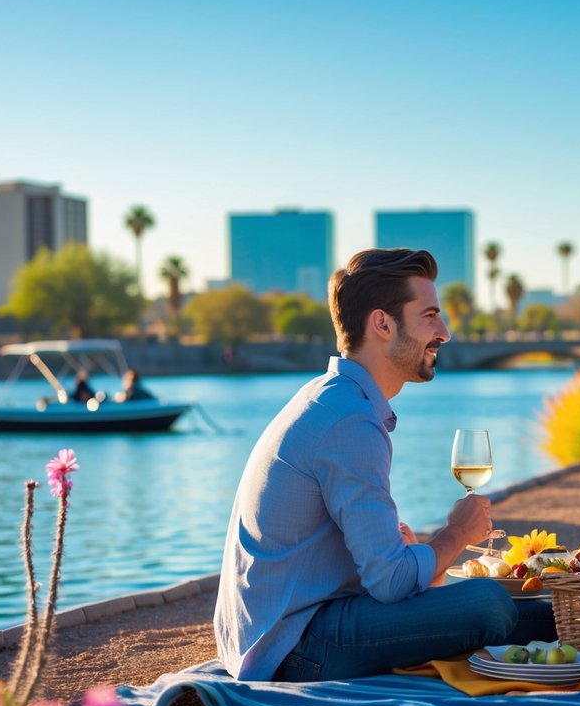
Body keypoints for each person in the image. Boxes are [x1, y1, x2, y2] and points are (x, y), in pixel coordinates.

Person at [214, 248, 554, 683]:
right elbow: (390, 583)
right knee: (488, 604)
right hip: (294, 647)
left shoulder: (332, 398)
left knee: (525, 609)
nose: (444, 332)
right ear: (382, 324)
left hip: (268, 634)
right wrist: (457, 534)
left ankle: (571, 622)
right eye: (429, 315)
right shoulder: (348, 420)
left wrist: (410, 554)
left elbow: (373, 566)